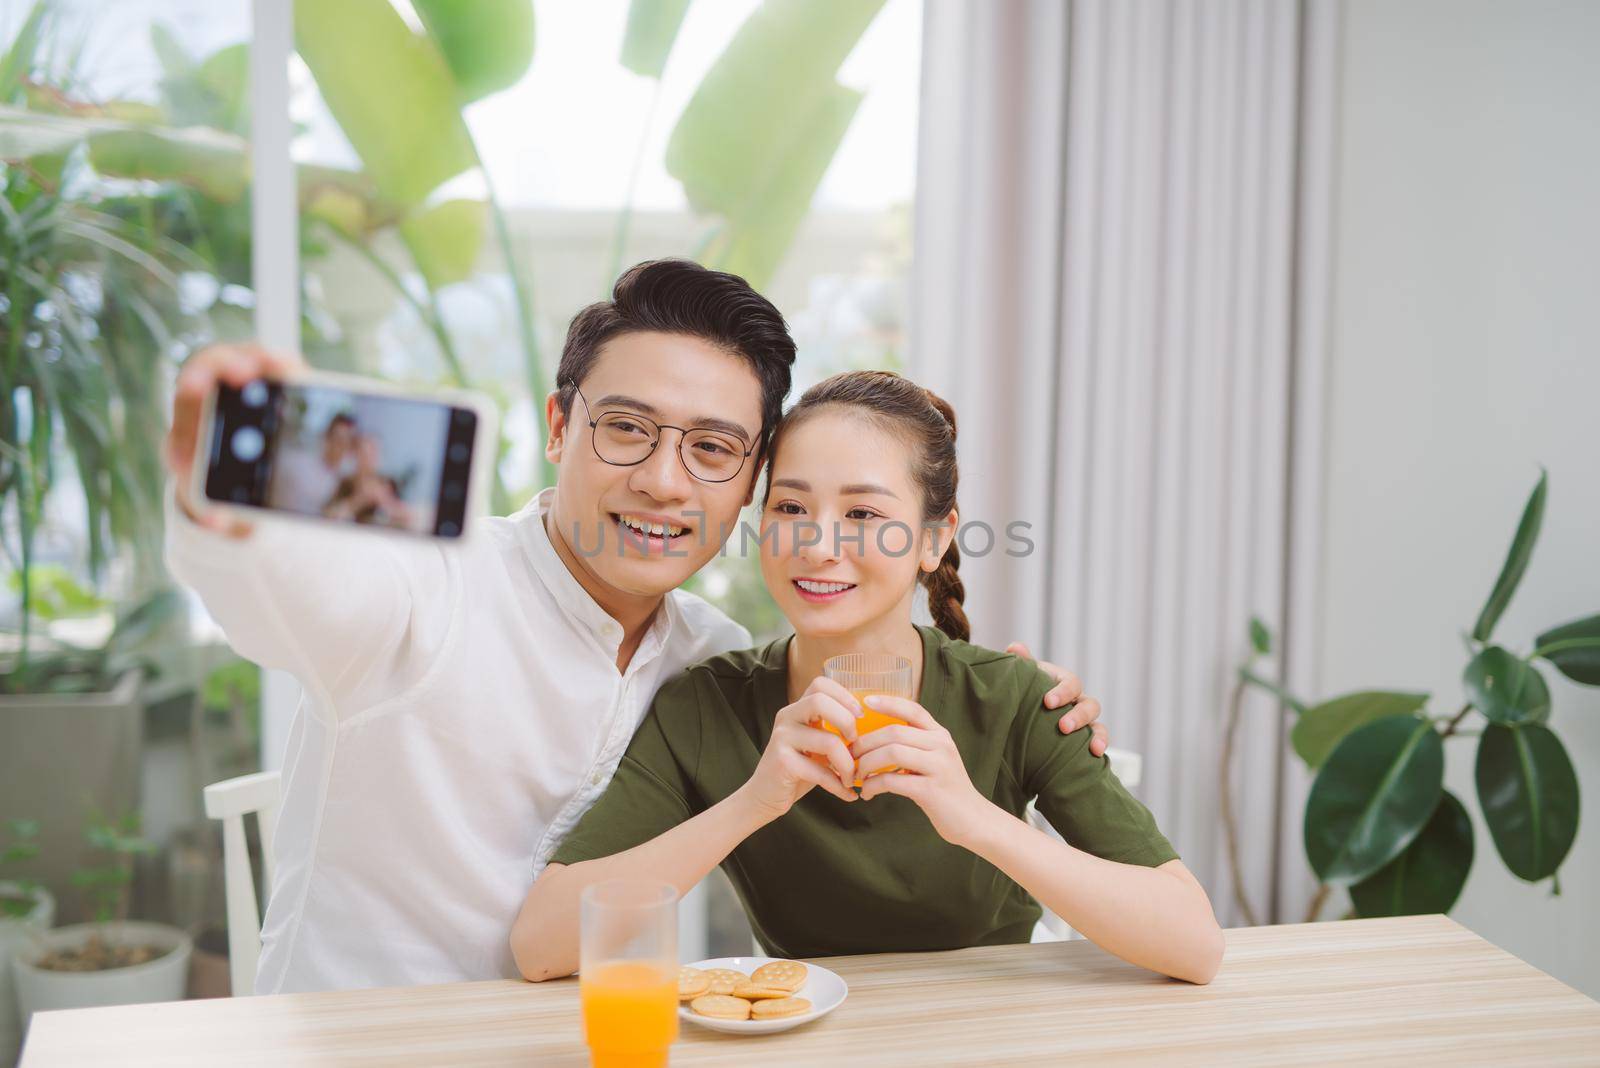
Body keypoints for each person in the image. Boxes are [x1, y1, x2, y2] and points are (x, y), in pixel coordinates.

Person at [162, 260, 1108, 993]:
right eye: (626, 429)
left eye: (711, 449)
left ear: (747, 484)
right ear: (558, 427)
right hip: (372, 1043)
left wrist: (1013, 704)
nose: (663, 480)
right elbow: (292, 584)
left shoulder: (707, 658)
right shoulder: (429, 589)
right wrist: (225, 509)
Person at [512, 371, 1224, 986]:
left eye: (863, 514)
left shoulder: (1011, 698)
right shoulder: (709, 705)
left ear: (933, 537)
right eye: (790, 507)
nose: (819, 546)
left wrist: (972, 816)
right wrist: (757, 800)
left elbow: (1194, 944)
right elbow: (541, 947)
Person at [266, 411, 357, 515]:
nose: (341, 446)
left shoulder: (345, 479)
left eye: (347, 441)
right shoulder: (299, 466)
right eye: (338, 439)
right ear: (327, 437)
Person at [321, 434, 414, 528]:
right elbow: (328, 515)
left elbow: (408, 518)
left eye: (373, 453)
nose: (368, 459)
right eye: (364, 453)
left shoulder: (388, 484)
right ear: (356, 455)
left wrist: (385, 501)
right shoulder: (346, 483)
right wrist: (358, 500)